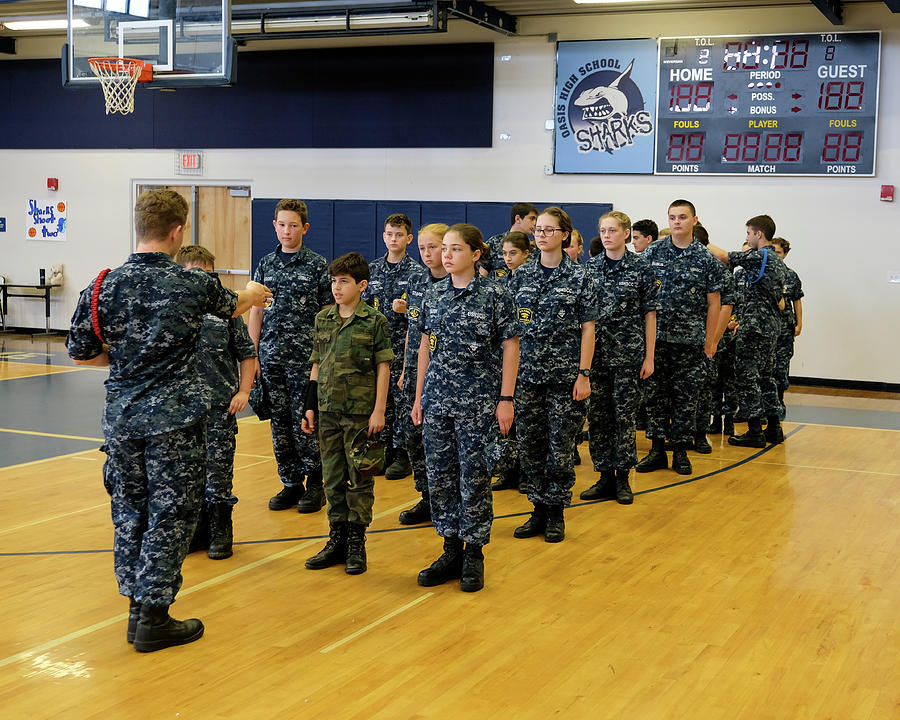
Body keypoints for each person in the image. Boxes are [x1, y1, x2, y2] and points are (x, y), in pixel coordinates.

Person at [66, 189, 271, 652]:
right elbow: (234, 304)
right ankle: (154, 615)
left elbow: (81, 352)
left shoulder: (101, 285)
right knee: (171, 512)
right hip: (173, 423)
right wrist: (255, 293)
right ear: (177, 232)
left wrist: (129, 362)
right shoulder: (189, 283)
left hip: (121, 421)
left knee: (129, 510)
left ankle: (137, 610)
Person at [411, 223, 519, 592]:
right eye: (444, 248)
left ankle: (474, 552)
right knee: (440, 478)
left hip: (479, 404)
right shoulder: (434, 295)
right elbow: (425, 346)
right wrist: (418, 397)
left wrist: (506, 399)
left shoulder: (495, 294)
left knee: (473, 478)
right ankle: (450, 549)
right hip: (438, 401)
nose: (446, 254)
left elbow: (510, 348)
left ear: (475, 254)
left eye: (455, 249)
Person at [301, 252, 394, 575]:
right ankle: (336, 539)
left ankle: (356, 543)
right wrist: (309, 405)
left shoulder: (374, 321)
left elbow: (383, 367)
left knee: (359, 479)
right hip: (327, 410)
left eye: (344, 282)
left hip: (360, 413)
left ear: (362, 285)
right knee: (333, 478)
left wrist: (379, 410)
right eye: (333, 281)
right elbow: (317, 363)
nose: (336, 288)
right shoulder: (322, 319)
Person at [507, 206, 596, 542]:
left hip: (564, 377)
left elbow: (588, 329)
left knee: (560, 448)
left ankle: (556, 512)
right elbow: (511, 333)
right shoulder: (521, 276)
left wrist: (584, 373)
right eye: (538, 230)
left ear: (565, 235)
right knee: (530, 446)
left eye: (548, 230)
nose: (541, 235)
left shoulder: (580, 277)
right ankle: (537, 510)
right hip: (526, 376)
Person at [175, 245, 258, 560]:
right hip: (183, 412)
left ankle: (222, 534)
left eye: (209, 274)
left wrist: (244, 392)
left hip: (219, 408)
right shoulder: (174, 312)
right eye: (197, 273)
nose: (204, 280)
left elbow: (247, 354)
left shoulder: (225, 311)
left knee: (218, 474)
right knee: (188, 475)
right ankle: (198, 533)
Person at [250, 199, 332, 514]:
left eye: (293, 225)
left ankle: (315, 484)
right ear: (274, 226)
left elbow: (327, 315)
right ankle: (290, 483)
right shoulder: (266, 264)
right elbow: (256, 311)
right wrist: (252, 354)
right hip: (271, 359)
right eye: (282, 225)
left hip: (304, 361)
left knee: (307, 422)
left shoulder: (316, 265)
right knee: (279, 424)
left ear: (305, 228)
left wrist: (321, 358)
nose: (287, 230)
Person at [636, 200, 722, 476]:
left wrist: (710, 341)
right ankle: (657, 450)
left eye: (682, 217)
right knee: (656, 397)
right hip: (657, 341)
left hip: (691, 342)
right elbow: (641, 296)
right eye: (672, 217)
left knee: (686, 399)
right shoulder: (653, 253)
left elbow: (714, 303)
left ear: (694, 220)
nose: (677, 222)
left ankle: (681, 452)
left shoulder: (705, 258)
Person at [580, 211, 658, 504]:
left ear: (626, 233)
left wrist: (649, 357)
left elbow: (650, 316)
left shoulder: (641, 268)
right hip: (597, 358)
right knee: (598, 418)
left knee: (624, 417)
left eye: (613, 230)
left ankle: (623, 478)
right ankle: (604, 476)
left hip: (629, 356)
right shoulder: (589, 270)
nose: (607, 235)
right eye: (603, 230)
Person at [707, 215, 788, 447]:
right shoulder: (776, 260)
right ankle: (773, 427)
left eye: (748, 233)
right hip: (771, 328)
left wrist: (700, 238)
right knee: (765, 378)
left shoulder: (761, 256)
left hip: (754, 327)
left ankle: (754, 431)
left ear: (758, 234)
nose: (747, 237)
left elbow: (724, 256)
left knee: (746, 377)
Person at [363, 213, 422, 481]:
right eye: (389, 234)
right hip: (377, 348)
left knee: (402, 401)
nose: (393, 239)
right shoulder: (372, 270)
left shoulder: (417, 273)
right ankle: (382, 450)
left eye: (399, 234)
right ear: (383, 236)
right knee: (380, 400)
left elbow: (423, 314)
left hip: (404, 348)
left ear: (409, 239)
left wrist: (407, 309)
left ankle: (402, 453)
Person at [397, 224, 449, 525]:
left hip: (446, 376)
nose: (428, 254)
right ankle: (427, 497)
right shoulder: (417, 280)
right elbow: (413, 332)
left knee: (441, 443)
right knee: (414, 437)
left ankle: (445, 499)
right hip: (418, 372)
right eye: (423, 248)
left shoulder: (459, 283)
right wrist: (406, 369)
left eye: (434, 247)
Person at [489, 230, 532, 492]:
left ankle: (527, 472)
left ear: (527, 253)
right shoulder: (503, 284)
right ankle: (509, 470)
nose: (508, 258)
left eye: (513, 253)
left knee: (526, 421)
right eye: (504, 254)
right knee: (508, 423)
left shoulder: (531, 282)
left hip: (529, 360)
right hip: (505, 362)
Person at [689, 225, 736, 453]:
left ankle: (699, 433)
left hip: (707, 340)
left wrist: (712, 341)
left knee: (705, 388)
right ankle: (680, 435)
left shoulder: (716, 268)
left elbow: (725, 305)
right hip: (681, 339)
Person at [771, 237, 803, 419]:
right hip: (766, 329)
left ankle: (779, 402)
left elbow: (797, 300)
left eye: (779, 252)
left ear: (785, 254)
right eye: (772, 251)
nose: (775, 256)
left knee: (781, 368)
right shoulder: (764, 273)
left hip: (784, 329)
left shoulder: (791, 276)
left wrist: (799, 323)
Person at [479, 202, 538, 277]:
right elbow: (482, 275)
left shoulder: (533, 247)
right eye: (531, 219)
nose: (535, 223)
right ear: (517, 219)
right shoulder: (494, 242)